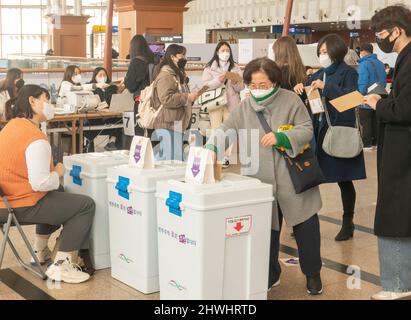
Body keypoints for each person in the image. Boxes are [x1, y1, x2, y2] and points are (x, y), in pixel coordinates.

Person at [206, 58, 323, 295]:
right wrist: (212, 148)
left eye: (264, 84)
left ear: (275, 81)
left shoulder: (290, 100)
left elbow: (306, 128)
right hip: (259, 180)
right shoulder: (245, 106)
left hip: (293, 176)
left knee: (305, 227)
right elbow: (226, 129)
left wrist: (282, 138)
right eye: (254, 84)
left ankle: (313, 274)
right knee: (264, 232)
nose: (258, 89)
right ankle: (270, 275)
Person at [0, 85, 95, 284]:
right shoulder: (35, 139)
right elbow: (40, 183)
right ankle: (62, 266)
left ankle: (39, 250)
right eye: (46, 99)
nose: (50, 105)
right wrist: (58, 171)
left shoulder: (10, 127)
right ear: (32, 102)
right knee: (84, 205)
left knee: (58, 192)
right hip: (19, 206)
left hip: (5, 200)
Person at [294, 34, 367, 242]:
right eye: (320, 52)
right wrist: (300, 89)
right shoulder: (318, 73)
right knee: (311, 179)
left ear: (336, 51)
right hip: (318, 133)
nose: (322, 56)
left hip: (338, 133)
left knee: (344, 179)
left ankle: (348, 221)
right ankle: (305, 220)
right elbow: (307, 97)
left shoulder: (347, 73)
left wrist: (327, 88)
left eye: (325, 52)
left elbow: (353, 100)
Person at [363, 5, 411, 300]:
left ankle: (396, 284)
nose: (380, 39)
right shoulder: (404, 59)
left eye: (381, 33)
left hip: (403, 153)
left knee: (394, 213)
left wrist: (376, 104)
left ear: (397, 31)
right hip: (403, 151)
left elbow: (405, 109)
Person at [151, 44, 199, 161]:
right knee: (172, 155)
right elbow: (166, 98)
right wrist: (187, 97)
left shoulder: (175, 75)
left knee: (172, 153)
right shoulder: (166, 76)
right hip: (168, 121)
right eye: (182, 55)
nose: (184, 58)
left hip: (175, 120)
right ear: (172, 57)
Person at [202, 41, 244, 168]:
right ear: (217, 52)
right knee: (215, 128)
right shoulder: (210, 67)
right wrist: (217, 80)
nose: (225, 53)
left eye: (227, 50)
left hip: (231, 103)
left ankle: (225, 156)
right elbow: (206, 85)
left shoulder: (236, 67)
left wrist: (235, 81)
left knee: (230, 130)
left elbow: (241, 87)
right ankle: (214, 153)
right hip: (215, 103)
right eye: (222, 50)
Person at [124, 35, 158, 136]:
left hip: (141, 101)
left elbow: (131, 86)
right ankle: (154, 151)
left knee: (139, 131)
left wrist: (125, 81)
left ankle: (141, 151)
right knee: (153, 129)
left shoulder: (136, 62)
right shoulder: (154, 60)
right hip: (155, 100)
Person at [357, 43, 387, 149]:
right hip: (379, 95)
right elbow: (384, 81)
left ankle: (367, 144)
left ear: (363, 52)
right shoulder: (380, 63)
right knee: (375, 119)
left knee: (365, 120)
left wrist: (360, 95)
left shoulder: (364, 64)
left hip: (367, 96)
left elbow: (363, 81)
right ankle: (376, 142)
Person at [87, 67, 124, 151]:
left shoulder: (111, 87)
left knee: (120, 119)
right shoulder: (91, 88)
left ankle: (112, 141)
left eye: (104, 75)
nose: (103, 76)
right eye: (100, 75)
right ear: (95, 77)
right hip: (96, 117)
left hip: (110, 114)